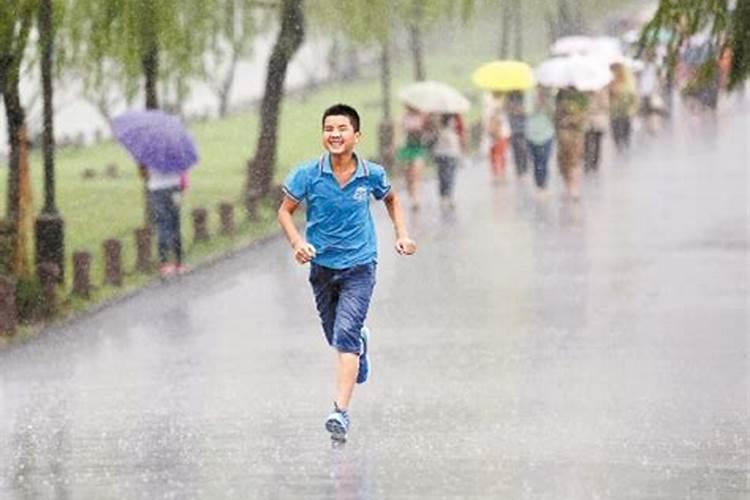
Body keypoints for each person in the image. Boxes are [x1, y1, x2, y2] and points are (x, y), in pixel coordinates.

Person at [277, 104, 417, 443]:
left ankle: (339, 411)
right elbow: (285, 211)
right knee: (336, 338)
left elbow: (392, 200)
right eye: (329, 128)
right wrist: (297, 242)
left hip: (360, 266)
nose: (335, 134)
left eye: (342, 128)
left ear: (357, 135)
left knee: (344, 338)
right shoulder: (307, 175)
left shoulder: (371, 174)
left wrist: (402, 234)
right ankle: (360, 346)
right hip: (322, 267)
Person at [141, 165, 189, 277]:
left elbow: (144, 174)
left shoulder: (149, 153)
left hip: (156, 191)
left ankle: (165, 264)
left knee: (162, 225)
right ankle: (179, 263)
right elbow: (182, 170)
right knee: (175, 224)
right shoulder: (175, 151)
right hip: (175, 190)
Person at [554, 86, 589, 199]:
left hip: (576, 133)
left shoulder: (581, 95)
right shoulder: (560, 94)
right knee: (564, 161)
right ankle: (568, 184)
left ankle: (574, 187)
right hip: (563, 134)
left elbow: (585, 114)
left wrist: (572, 119)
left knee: (575, 160)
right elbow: (555, 114)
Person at [396, 105, 430, 210]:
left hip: (419, 147)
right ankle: (411, 194)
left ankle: (415, 198)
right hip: (407, 147)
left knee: (416, 173)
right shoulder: (404, 117)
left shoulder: (423, 116)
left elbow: (429, 130)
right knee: (408, 174)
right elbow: (400, 131)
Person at [525, 86, 556, 191]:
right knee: (535, 161)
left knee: (544, 160)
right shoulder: (529, 95)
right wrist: (538, 103)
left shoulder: (550, 97)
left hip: (547, 133)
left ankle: (543, 184)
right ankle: (538, 183)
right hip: (532, 133)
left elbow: (554, 113)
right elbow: (527, 111)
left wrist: (546, 103)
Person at [431, 113, 465, 208]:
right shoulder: (437, 118)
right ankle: (443, 196)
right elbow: (433, 136)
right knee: (443, 176)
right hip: (441, 152)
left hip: (452, 152)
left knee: (450, 175)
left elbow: (461, 132)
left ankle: (449, 196)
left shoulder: (457, 117)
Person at [608, 62, 638, 152]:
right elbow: (633, 94)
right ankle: (623, 145)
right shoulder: (627, 78)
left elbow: (632, 94)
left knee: (620, 127)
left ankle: (622, 145)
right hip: (620, 109)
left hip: (620, 109)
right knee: (622, 127)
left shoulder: (625, 79)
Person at [482, 92, 511, 181]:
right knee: (500, 155)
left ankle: (497, 173)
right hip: (500, 135)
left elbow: (485, 123)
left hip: (495, 135)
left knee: (495, 155)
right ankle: (500, 173)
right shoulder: (500, 108)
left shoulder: (489, 108)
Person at [584, 87, 610, 172]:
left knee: (595, 142)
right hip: (590, 121)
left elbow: (606, 105)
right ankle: (590, 162)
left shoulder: (601, 91)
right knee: (589, 142)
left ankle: (593, 162)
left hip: (596, 121)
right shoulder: (585, 92)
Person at [506, 90, 529, 177]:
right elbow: (507, 112)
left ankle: (524, 166)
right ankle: (519, 168)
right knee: (516, 149)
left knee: (523, 149)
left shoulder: (525, 99)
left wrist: (520, 111)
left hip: (523, 128)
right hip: (514, 129)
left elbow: (527, 112)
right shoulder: (509, 99)